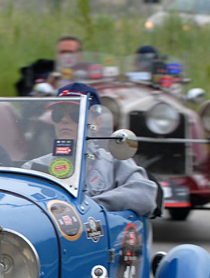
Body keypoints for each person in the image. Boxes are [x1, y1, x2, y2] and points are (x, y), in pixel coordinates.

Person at [23, 82, 158, 217]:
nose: (64, 120)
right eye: (58, 114)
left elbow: (145, 195)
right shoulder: (34, 166)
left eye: (76, 114)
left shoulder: (113, 163)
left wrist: (87, 207)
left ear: (96, 123)